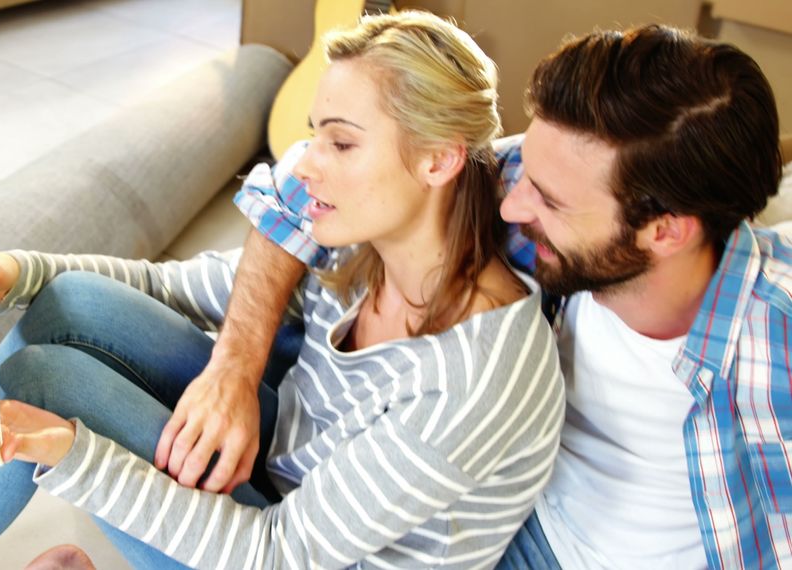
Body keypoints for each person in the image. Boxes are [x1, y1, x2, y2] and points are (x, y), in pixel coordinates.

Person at [0, 11, 565, 570]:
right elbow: (193, 286)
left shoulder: (477, 373)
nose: (306, 165)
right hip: (283, 471)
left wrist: (75, 458)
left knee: (42, 394)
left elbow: (281, 552)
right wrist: (23, 272)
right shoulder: (368, 247)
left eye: (341, 144)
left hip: (292, 550)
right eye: (314, 135)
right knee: (70, 315)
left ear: (438, 159)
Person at [172, 23, 792, 569]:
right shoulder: (544, 175)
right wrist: (235, 365)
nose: (513, 204)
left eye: (548, 202)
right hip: (486, 509)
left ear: (665, 232)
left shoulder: (772, 354)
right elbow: (296, 188)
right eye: (527, 176)